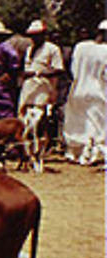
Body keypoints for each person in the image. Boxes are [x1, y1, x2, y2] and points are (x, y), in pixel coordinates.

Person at [62, 20, 107, 161]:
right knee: (96, 124)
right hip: (96, 90)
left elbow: (73, 69)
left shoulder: (81, 47)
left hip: (78, 89)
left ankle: (76, 152)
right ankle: (93, 154)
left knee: (78, 122)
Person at [18, 20, 64, 121]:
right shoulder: (29, 49)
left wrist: (38, 73)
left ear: (43, 35)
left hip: (44, 87)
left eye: (36, 35)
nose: (34, 38)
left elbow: (59, 70)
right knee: (24, 114)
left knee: (40, 114)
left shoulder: (52, 49)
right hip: (28, 87)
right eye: (32, 35)